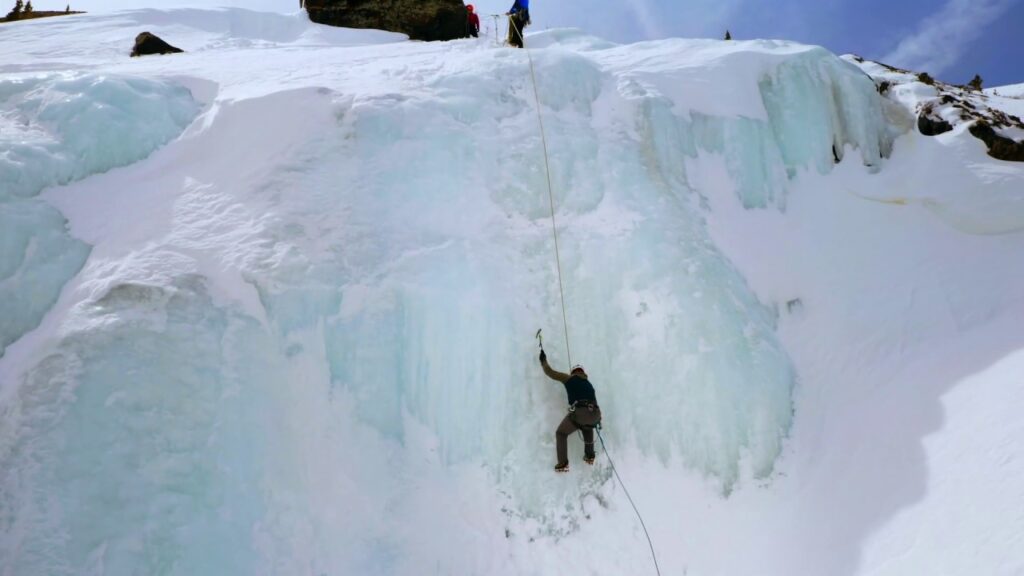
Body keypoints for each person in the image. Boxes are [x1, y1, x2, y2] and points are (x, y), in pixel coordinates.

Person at [539, 349, 602, 473]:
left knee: (561, 433)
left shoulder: (569, 378)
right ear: (583, 372)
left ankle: (563, 463)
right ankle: (589, 456)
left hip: (581, 413)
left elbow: (550, 372)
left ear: (573, 372)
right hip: (595, 414)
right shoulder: (589, 385)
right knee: (587, 426)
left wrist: (543, 360)